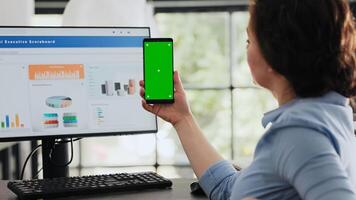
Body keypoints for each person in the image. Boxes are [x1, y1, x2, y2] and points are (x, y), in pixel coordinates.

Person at [140, 0, 356, 199]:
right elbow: (229, 189)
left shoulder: (299, 133)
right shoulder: (332, 111)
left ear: (274, 51)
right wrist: (183, 118)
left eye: (249, 40)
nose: (247, 49)